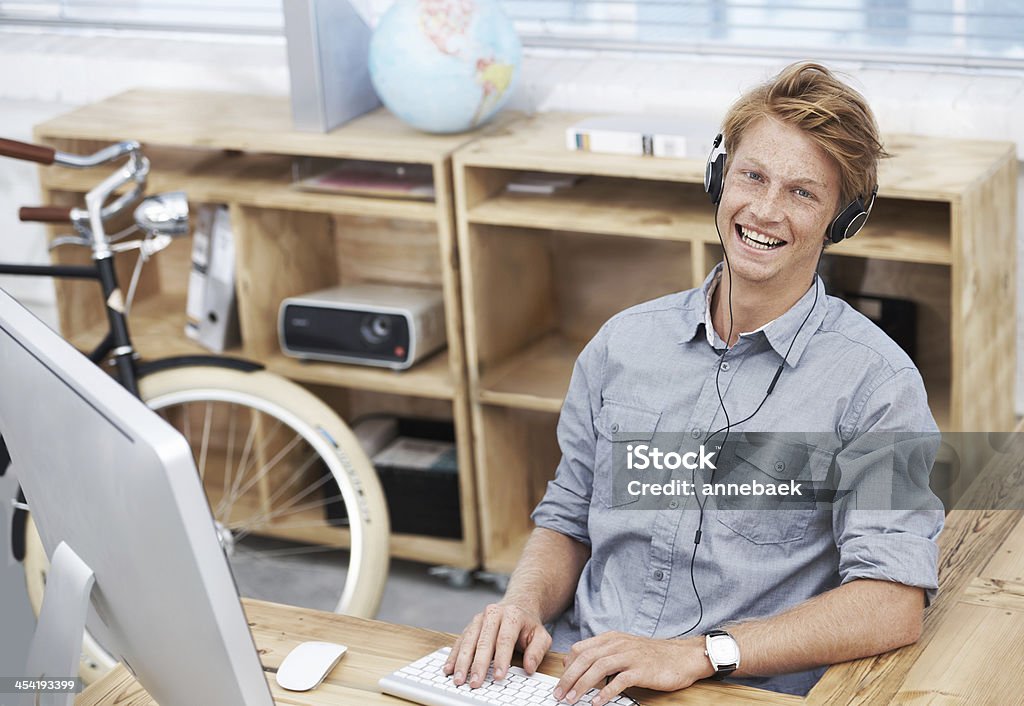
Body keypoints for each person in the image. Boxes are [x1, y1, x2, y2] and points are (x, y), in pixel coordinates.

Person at [444, 62, 944, 704]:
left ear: (840, 221)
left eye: (802, 193)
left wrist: (702, 654)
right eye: (752, 176)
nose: (764, 210)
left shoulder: (877, 386)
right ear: (718, 176)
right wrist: (520, 606)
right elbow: (569, 519)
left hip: (736, 690)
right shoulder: (622, 345)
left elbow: (891, 602)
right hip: (582, 679)